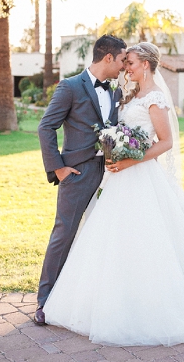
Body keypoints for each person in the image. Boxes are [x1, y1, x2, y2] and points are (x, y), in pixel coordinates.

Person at [43, 42, 184, 346]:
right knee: (94, 236)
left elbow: (165, 142)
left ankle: (150, 302)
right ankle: (63, 298)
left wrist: (131, 159)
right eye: (124, 62)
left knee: (149, 238)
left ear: (145, 65)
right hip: (108, 177)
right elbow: (61, 127)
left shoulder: (153, 98)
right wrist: (74, 164)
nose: (126, 67)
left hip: (139, 175)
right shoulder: (120, 94)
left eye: (131, 63)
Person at [35, 35, 127, 325]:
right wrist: (59, 168)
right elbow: (46, 127)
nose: (125, 66)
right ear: (109, 58)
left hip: (111, 174)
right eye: (123, 60)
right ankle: (45, 302)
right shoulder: (70, 87)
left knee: (106, 236)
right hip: (77, 173)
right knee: (64, 234)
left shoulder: (116, 91)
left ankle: (94, 299)